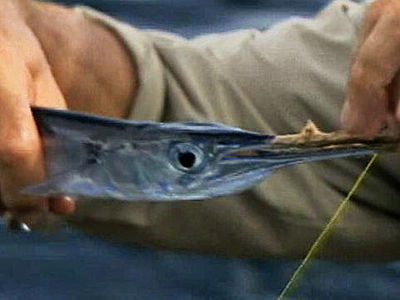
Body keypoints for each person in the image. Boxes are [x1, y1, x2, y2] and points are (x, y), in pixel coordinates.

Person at [0, 0, 399, 260]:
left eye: (187, 159)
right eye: (187, 160)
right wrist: (24, 28)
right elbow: (168, 95)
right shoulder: (380, 71)